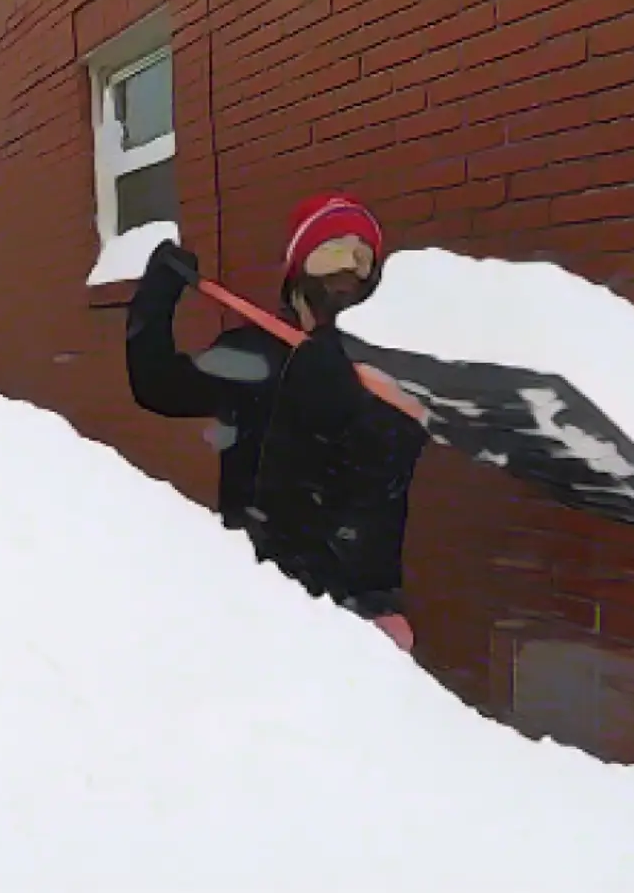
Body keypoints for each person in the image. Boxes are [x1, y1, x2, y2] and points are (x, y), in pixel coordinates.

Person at [125, 193, 428, 650]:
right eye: (333, 250)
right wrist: (155, 299)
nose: (350, 266)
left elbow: (385, 471)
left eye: (363, 256)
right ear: (298, 267)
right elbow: (158, 386)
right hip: (259, 600)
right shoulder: (253, 354)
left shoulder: (388, 370)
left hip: (360, 616)